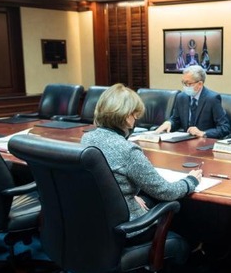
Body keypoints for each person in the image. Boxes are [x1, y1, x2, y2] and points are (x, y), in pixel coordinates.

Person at [80, 83, 202, 220]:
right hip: (127, 226)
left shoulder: (87, 138)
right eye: (135, 115)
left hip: (98, 219)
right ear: (127, 117)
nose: (136, 119)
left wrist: (126, 196)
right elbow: (165, 191)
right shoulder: (128, 150)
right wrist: (190, 181)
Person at [155, 65, 230, 139]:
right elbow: (176, 120)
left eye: (189, 84)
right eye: (184, 83)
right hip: (184, 143)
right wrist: (169, 123)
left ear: (200, 84)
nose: (185, 87)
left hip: (205, 143)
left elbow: (225, 128)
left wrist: (203, 133)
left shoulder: (212, 99)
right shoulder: (181, 97)